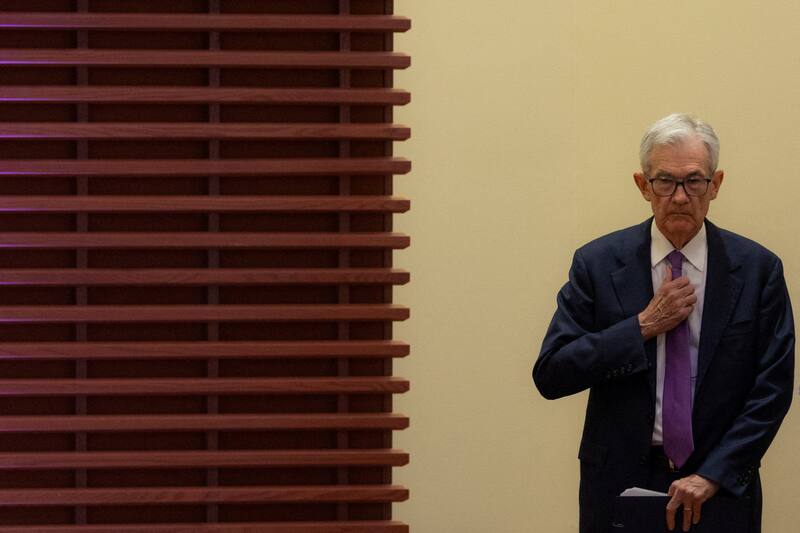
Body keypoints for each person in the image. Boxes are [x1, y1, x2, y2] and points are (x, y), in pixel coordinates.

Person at [533, 113, 794, 533]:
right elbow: (551, 372)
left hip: (720, 489)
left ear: (716, 185)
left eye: (694, 181)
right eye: (665, 181)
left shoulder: (758, 270)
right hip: (620, 486)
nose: (679, 196)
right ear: (642, 185)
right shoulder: (597, 264)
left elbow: (773, 389)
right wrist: (639, 327)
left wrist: (714, 474)